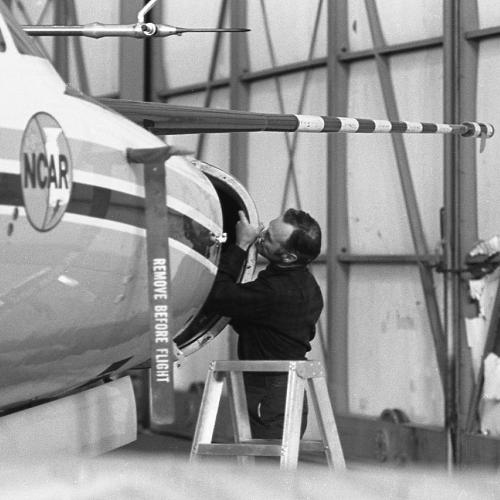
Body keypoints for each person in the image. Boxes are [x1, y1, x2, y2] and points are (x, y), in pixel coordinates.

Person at [204, 208, 323, 439]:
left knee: (265, 470)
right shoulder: (305, 285)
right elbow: (249, 318)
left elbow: (217, 295)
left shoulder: (276, 291)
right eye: (266, 229)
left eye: (268, 238)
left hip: (270, 396)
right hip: (279, 391)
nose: (260, 236)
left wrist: (240, 245)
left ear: (289, 257)